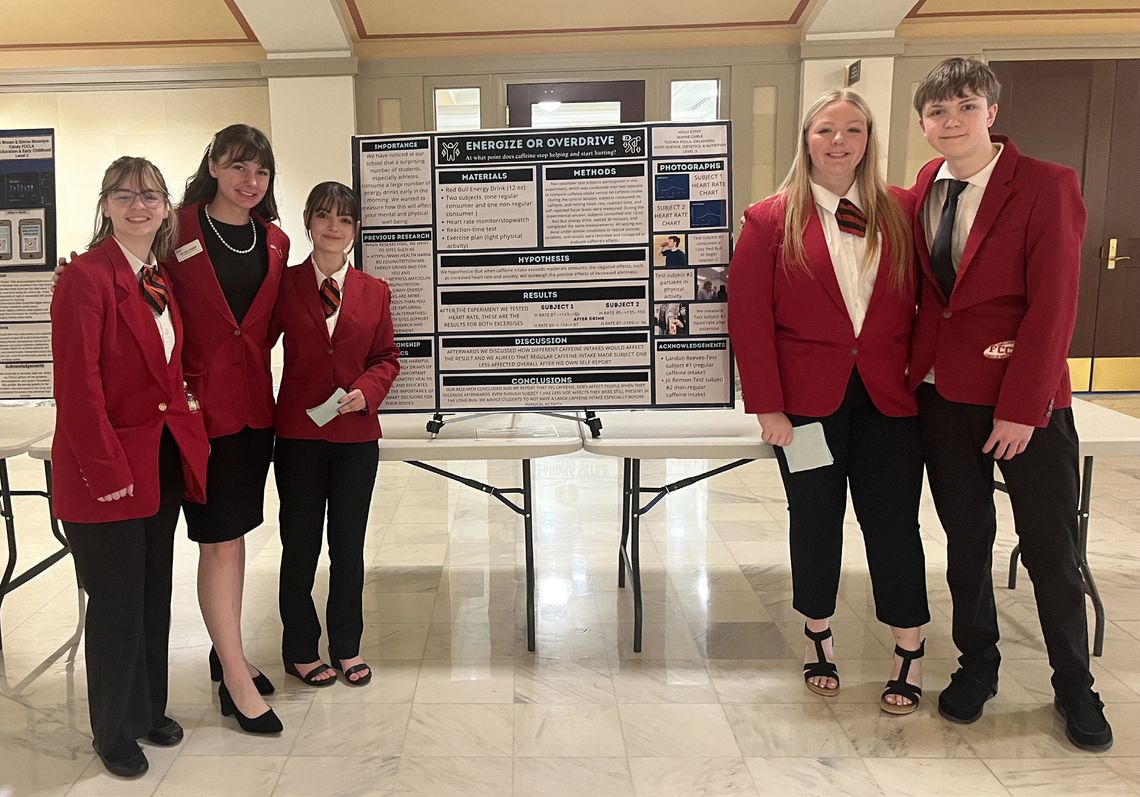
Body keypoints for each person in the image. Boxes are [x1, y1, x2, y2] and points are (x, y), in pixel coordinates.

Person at [908, 58, 1111, 750]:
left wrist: (1022, 408)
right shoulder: (921, 190)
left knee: (1052, 549)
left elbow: (1054, 306)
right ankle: (978, 664)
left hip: (1027, 406)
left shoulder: (1047, 184)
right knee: (966, 545)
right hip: (943, 400)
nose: (951, 121)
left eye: (965, 106)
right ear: (924, 123)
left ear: (991, 111)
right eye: (937, 112)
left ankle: (1075, 686)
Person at [728, 90, 928, 714]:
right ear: (806, 138)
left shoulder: (901, 209)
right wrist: (767, 407)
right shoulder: (769, 219)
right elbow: (749, 319)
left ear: (870, 139)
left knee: (893, 522)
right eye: (825, 130)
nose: (839, 142)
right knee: (816, 520)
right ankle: (819, 632)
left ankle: (909, 645)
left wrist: (920, 376)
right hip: (807, 409)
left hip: (889, 402)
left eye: (854, 130)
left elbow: (929, 306)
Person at [51, 157, 210, 776]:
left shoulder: (160, 277)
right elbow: (79, 386)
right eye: (124, 196)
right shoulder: (85, 278)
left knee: (152, 591)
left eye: (149, 196)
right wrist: (106, 469)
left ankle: (147, 710)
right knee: (116, 602)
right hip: (107, 469)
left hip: (160, 459)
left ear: (167, 206)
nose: (138, 206)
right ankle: (112, 729)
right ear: (106, 205)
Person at [172, 124, 289, 733]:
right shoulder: (176, 228)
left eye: (261, 172)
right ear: (213, 165)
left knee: (235, 536)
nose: (250, 181)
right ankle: (237, 681)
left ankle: (229, 653)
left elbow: (266, 326)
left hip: (252, 410)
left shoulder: (275, 241)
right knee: (216, 539)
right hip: (194, 411)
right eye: (238, 167)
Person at [270, 181, 400, 688]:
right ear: (309, 221)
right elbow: (248, 338)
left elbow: (386, 357)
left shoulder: (374, 291)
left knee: (348, 546)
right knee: (298, 545)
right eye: (324, 216)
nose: (333, 226)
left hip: (355, 439)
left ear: (356, 230)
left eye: (344, 219)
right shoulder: (284, 283)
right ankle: (299, 647)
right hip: (299, 436)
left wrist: (369, 390)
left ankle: (346, 646)